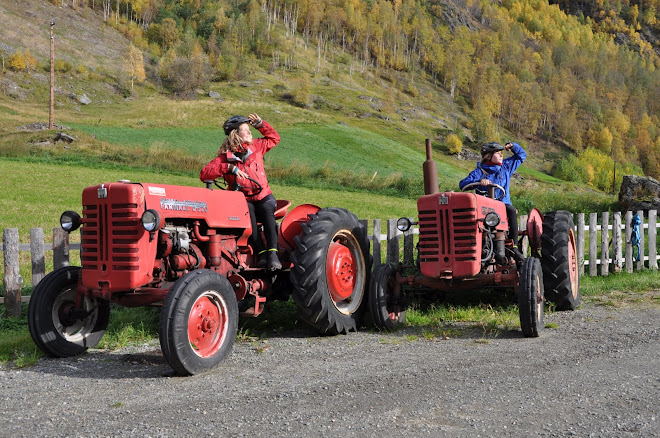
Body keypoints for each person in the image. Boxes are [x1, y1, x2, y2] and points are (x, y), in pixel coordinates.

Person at [200, 113, 282, 270]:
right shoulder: (225, 158)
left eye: (250, 129)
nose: (250, 132)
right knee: (248, 219)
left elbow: (274, 139)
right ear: (235, 134)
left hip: (263, 195)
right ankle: (262, 255)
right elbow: (204, 174)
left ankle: (273, 254)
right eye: (246, 129)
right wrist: (229, 168)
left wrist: (260, 124)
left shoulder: (257, 146)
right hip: (242, 199)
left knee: (266, 209)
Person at [459, 141, 526, 250]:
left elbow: (522, 155)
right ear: (488, 156)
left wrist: (513, 146)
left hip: (503, 204)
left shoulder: (506, 167)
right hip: (483, 207)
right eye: (497, 153)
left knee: (512, 211)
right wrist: (480, 181)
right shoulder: (479, 171)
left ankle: (513, 246)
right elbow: (462, 184)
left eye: (501, 152)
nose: (501, 155)